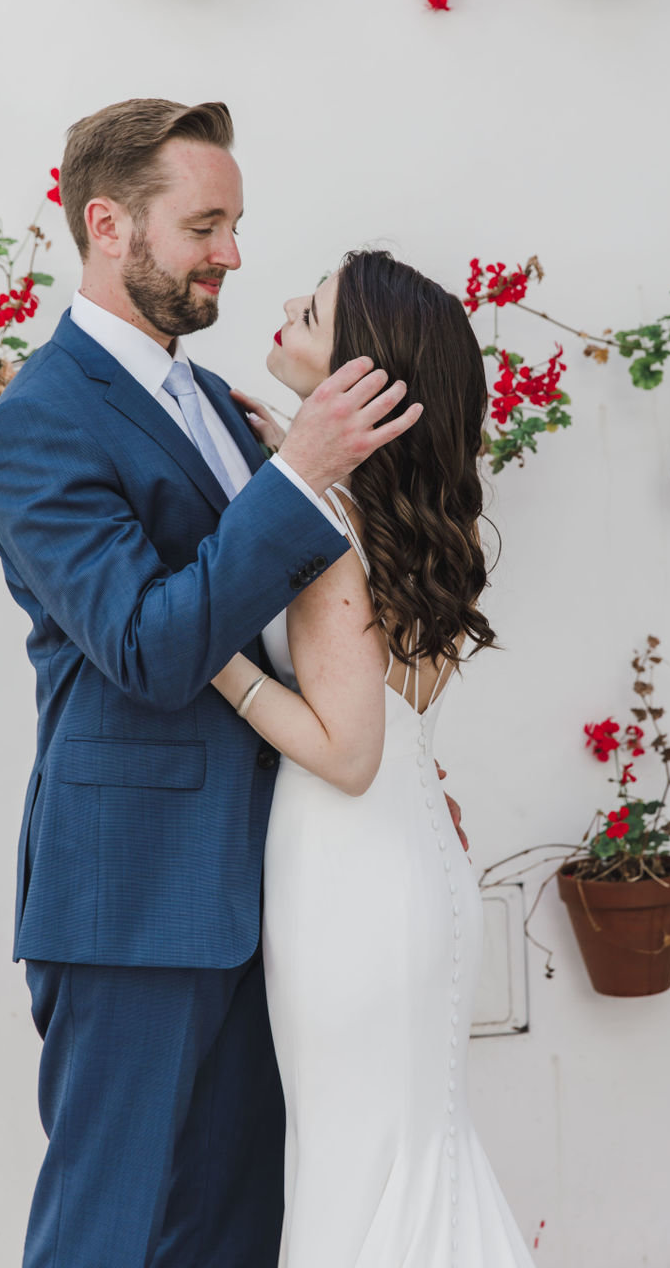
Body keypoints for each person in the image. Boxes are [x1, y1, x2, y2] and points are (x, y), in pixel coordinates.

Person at [0, 98, 424, 1268]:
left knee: (232, 1235)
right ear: (109, 223)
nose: (233, 253)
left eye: (236, 225)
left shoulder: (221, 404)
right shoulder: (37, 422)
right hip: (133, 901)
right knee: (107, 1233)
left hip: (271, 899)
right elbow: (144, 646)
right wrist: (298, 482)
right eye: (206, 225)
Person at [209, 249, 537, 1267]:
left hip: (349, 890)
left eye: (307, 313)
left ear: (361, 370)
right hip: (409, 873)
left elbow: (345, 754)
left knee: (355, 1181)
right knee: (407, 1166)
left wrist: (210, 658)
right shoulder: (393, 520)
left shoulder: (330, 531)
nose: (280, 313)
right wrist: (285, 464)